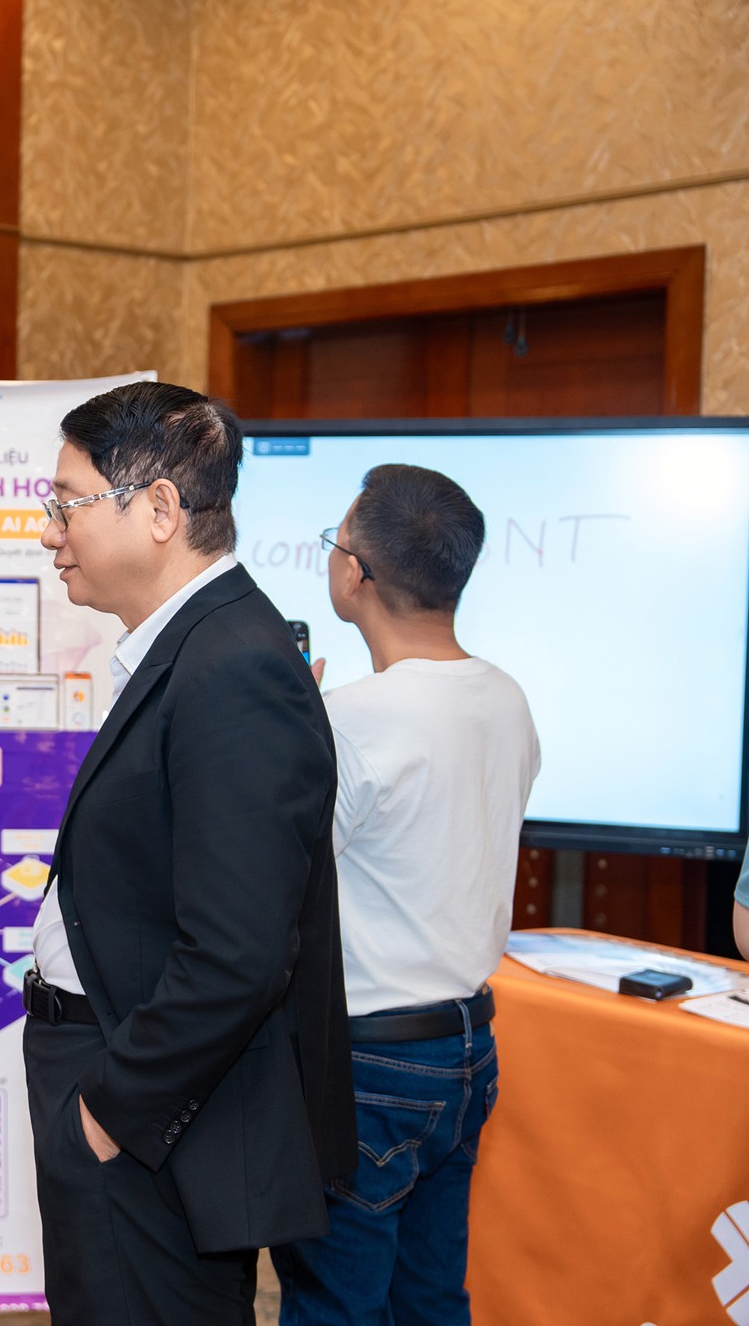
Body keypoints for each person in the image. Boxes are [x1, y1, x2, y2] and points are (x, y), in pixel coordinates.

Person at [22, 380, 354, 1323]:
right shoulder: (193, 645)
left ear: (160, 509)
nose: (49, 532)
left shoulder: (234, 665)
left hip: (152, 1124)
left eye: (68, 504)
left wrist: (108, 1114)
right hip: (123, 1090)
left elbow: (238, 954)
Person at [272, 465, 539, 1325]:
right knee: (430, 1298)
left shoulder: (351, 718)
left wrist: (288, 738)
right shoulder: (506, 696)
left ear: (355, 572)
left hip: (368, 1062)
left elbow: (280, 880)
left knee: (335, 1305)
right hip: (466, 1045)